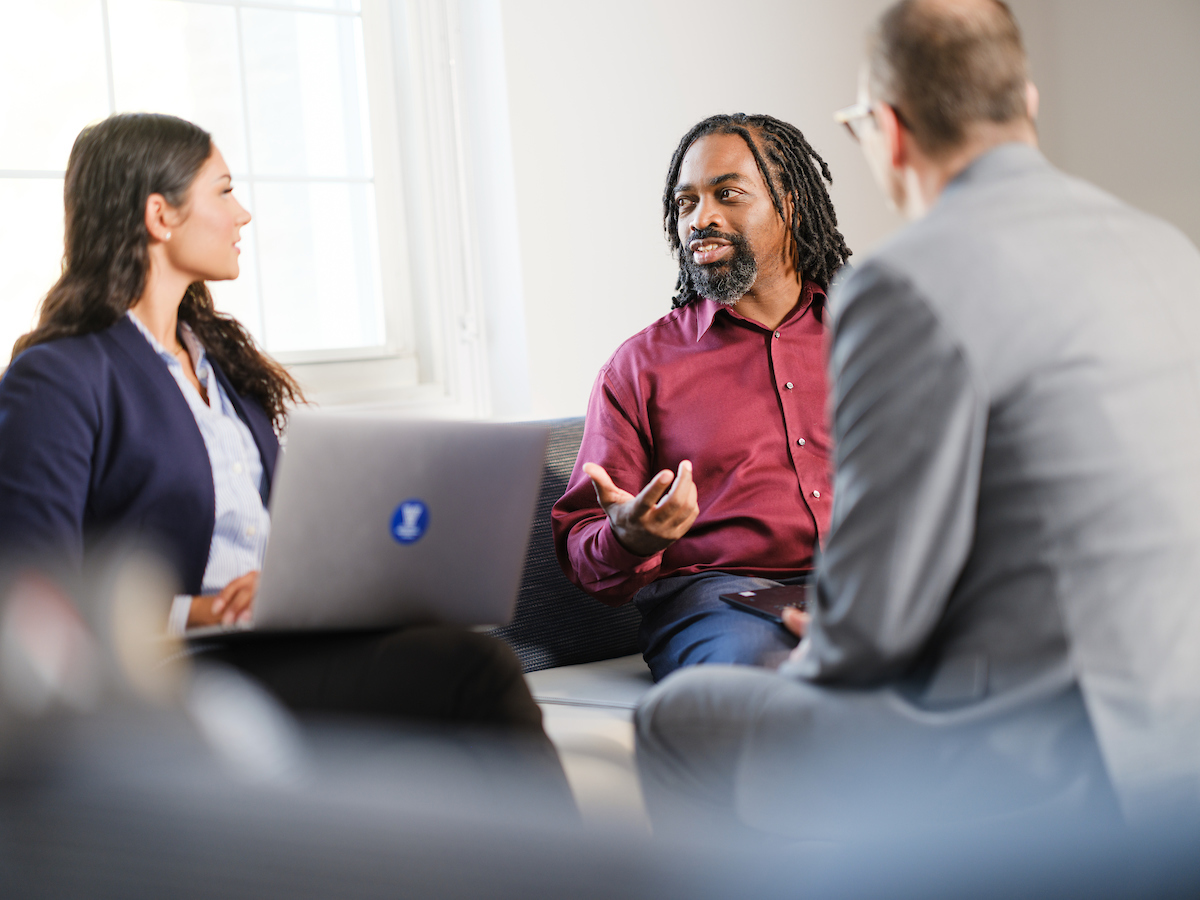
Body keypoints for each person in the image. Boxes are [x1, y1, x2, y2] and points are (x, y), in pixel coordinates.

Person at [635, 0, 1200, 836]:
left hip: (1050, 744)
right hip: (1180, 717)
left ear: (888, 130)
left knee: (675, 721)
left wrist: (834, 633)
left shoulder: (904, 283)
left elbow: (872, 628)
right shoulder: (1167, 251)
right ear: (1027, 103)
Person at [0, 112, 553, 737]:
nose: (242, 215)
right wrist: (206, 611)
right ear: (160, 216)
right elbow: (32, 591)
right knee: (474, 670)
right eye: (223, 191)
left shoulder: (222, 365)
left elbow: (282, 533)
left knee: (459, 653)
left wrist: (310, 589)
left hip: (273, 642)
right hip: (171, 669)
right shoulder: (60, 377)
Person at [552, 114, 852, 681]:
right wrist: (628, 536)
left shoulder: (870, 341)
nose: (700, 218)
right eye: (686, 203)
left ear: (790, 204)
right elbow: (585, 545)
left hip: (872, 588)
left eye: (727, 194)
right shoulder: (639, 367)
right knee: (780, 679)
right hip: (724, 601)